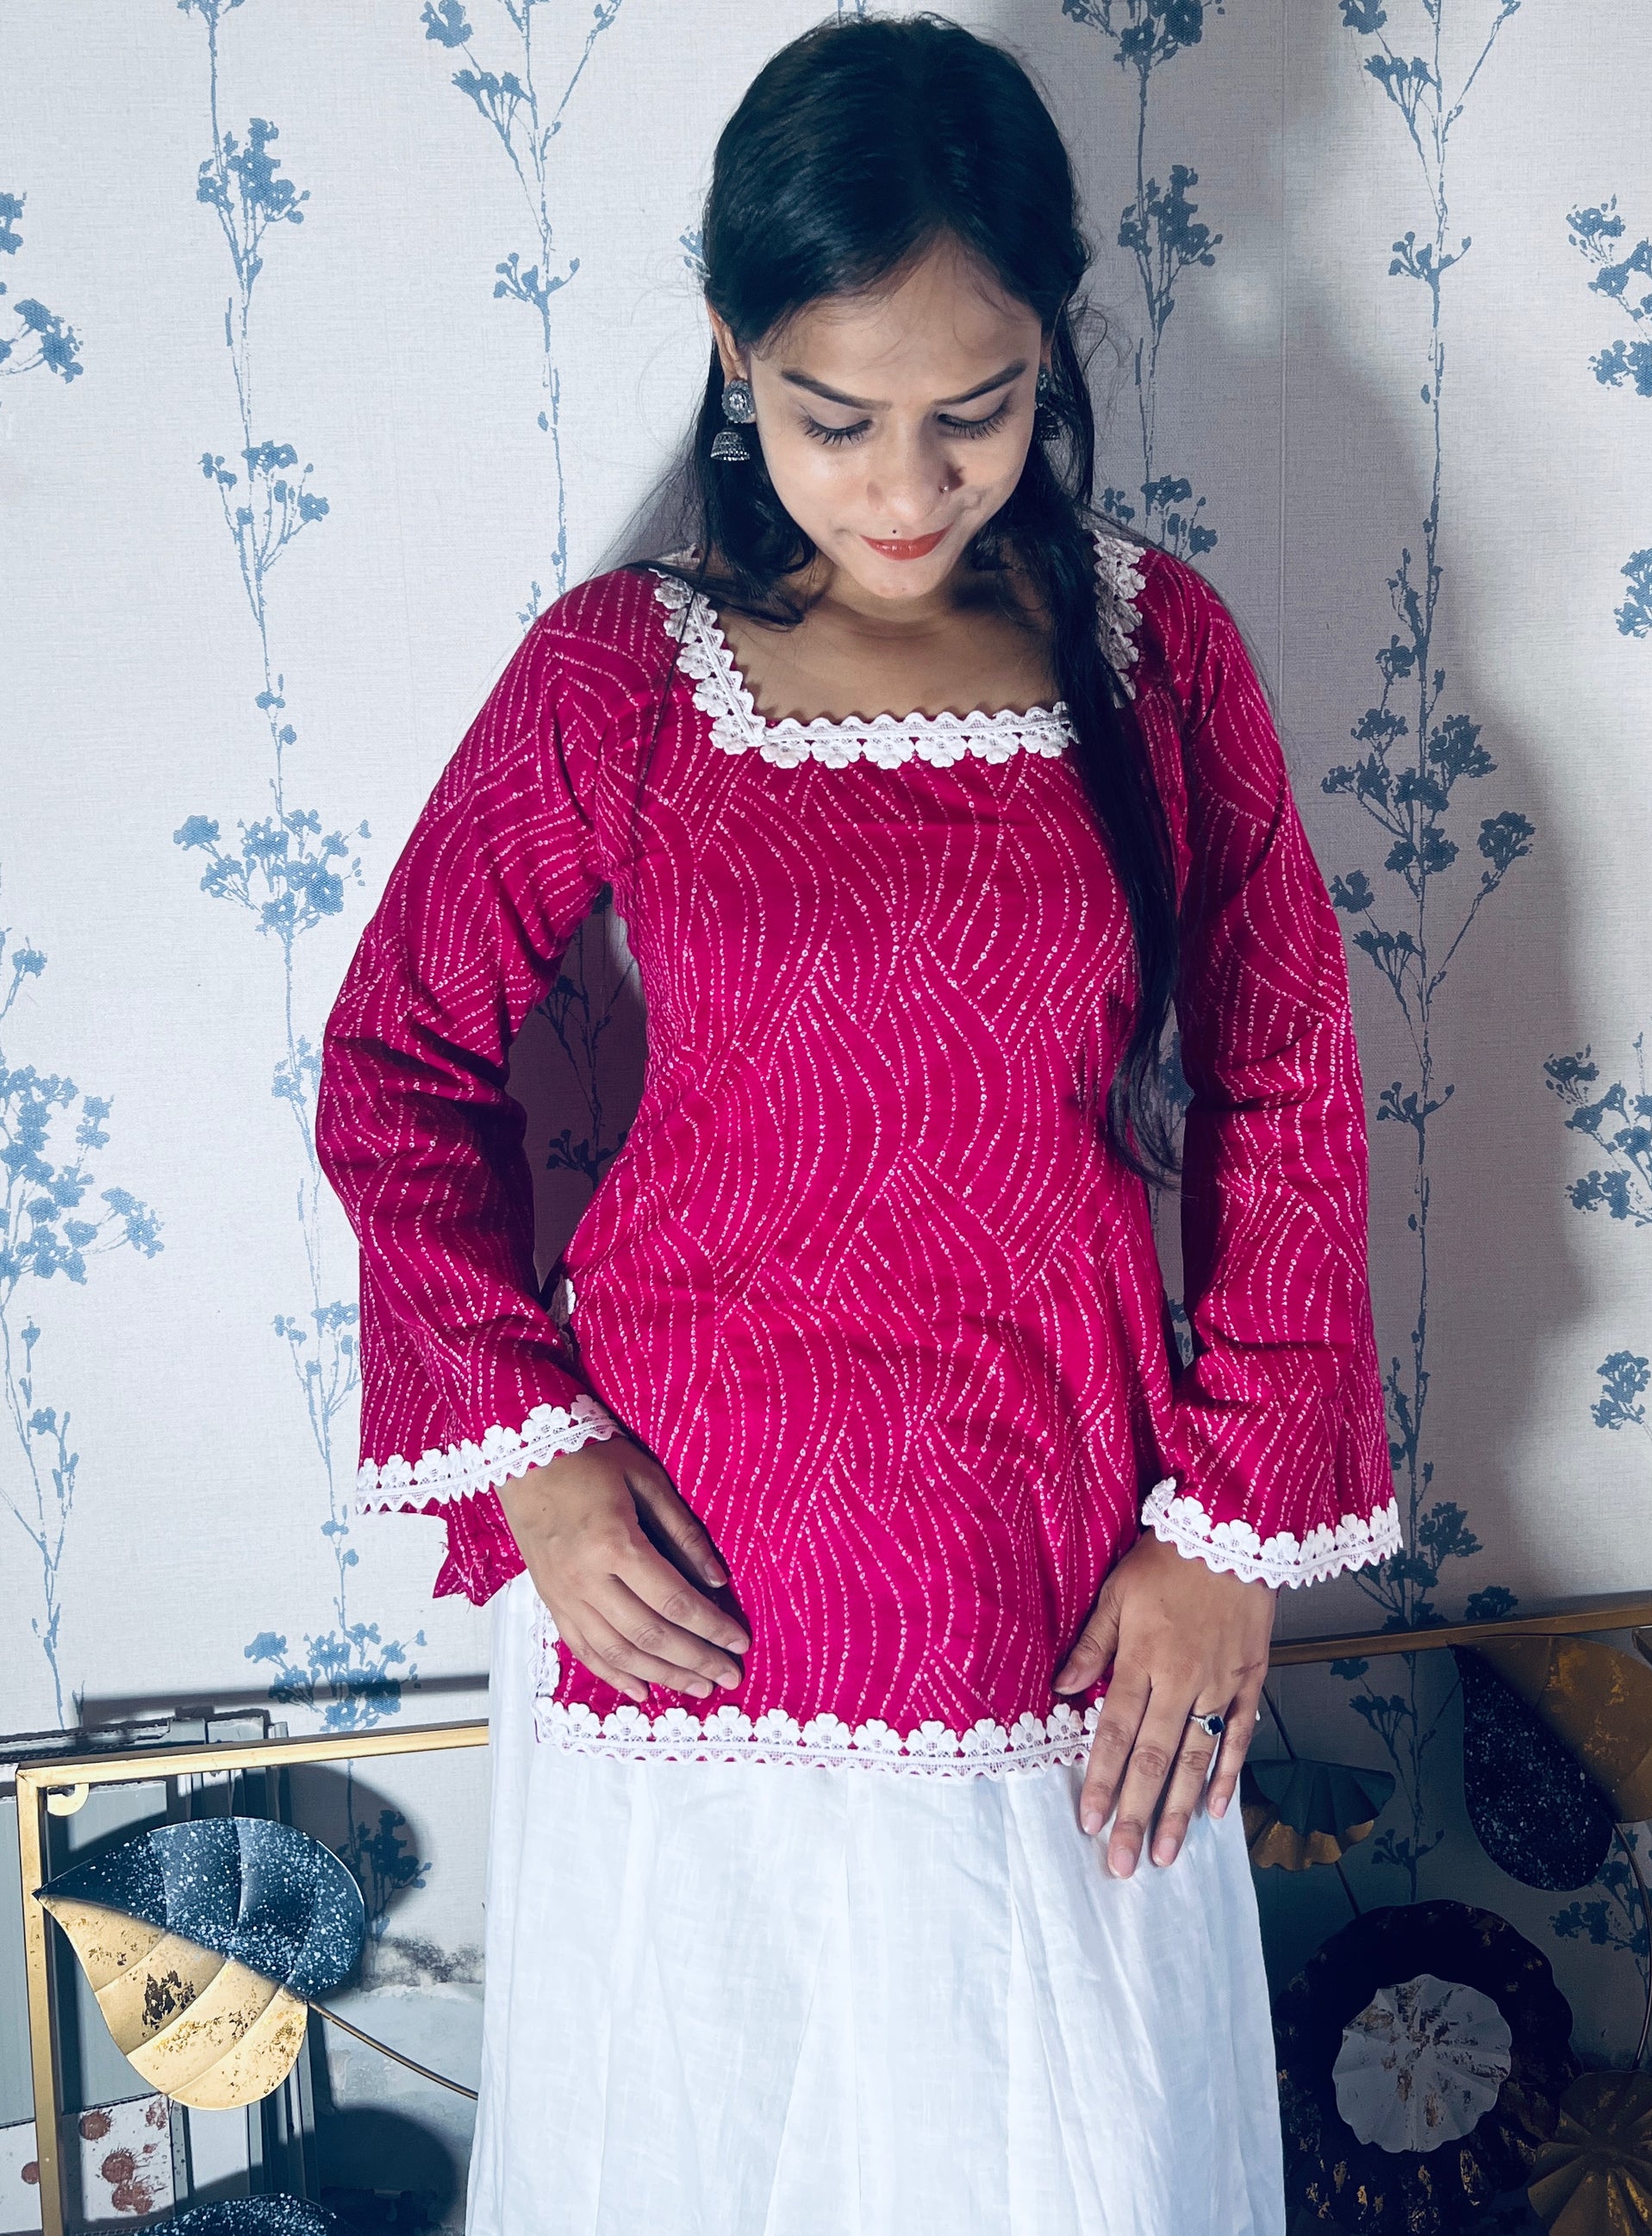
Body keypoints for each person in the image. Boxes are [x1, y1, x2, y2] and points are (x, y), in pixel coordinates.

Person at [316, 16, 1398, 2234]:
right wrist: (533, 1456)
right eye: (834, 418)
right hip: (685, 1590)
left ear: (1051, 349)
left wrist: (1225, 1536)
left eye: (971, 411)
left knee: (1072, 2163)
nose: (906, 486)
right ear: (734, 350)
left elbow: (1288, 1082)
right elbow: (396, 1063)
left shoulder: (1156, 650)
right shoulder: (621, 675)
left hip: (1065, 1583)